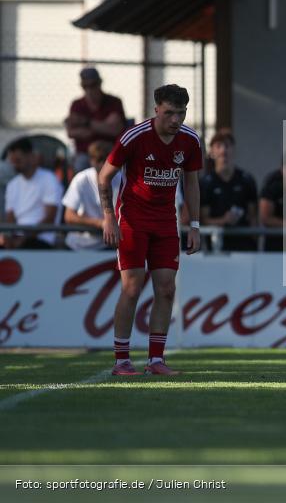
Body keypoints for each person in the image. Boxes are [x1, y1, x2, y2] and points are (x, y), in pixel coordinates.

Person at [99, 84, 203, 376]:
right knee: (132, 288)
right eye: (169, 112)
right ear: (156, 109)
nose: (175, 119)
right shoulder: (135, 137)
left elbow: (192, 183)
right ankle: (121, 361)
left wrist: (194, 225)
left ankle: (156, 360)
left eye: (181, 113)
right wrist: (109, 217)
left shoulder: (191, 140)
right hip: (132, 220)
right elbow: (104, 176)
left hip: (166, 222)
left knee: (167, 290)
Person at [200, 131, 258, 251]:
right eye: (219, 146)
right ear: (212, 151)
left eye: (227, 145)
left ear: (234, 149)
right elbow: (202, 219)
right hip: (216, 249)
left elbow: (253, 218)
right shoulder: (205, 183)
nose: (223, 151)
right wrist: (223, 220)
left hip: (245, 248)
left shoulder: (247, 179)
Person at [1, 137, 63, 249]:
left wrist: (23, 238)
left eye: (18, 160)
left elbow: (49, 219)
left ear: (30, 156)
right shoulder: (12, 185)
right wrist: (8, 239)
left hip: (41, 240)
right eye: (13, 161)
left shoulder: (49, 179)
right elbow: (10, 219)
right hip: (19, 239)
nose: (14, 164)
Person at [62, 140, 122, 250]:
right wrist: (101, 223)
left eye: (106, 159)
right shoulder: (81, 179)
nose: (102, 163)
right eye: (99, 159)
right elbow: (69, 216)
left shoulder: (121, 179)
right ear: (91, 161)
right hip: (77, 245)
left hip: (108, 246)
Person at [64, 68, 126, 172]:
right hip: (85, 154)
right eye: (85, 86)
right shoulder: (77, 105)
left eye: (93, 85)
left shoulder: (114, 102)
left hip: (109, 151)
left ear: (100, 83)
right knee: (80, 164)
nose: (89, 90)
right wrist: (103, 126)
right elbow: (71, 132)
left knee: (118, 167)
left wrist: (85, 122)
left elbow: (115, 129)